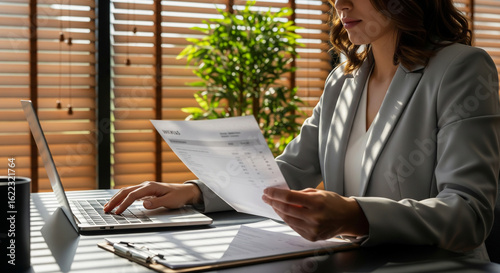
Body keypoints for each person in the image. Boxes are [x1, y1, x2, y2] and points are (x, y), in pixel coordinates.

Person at [104, 0, 500, 260]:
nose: (339, 4)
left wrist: (354, 215)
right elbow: (289, 170)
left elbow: (469, 212)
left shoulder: (460, 69)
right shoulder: (344, 79)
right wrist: (193, 192)